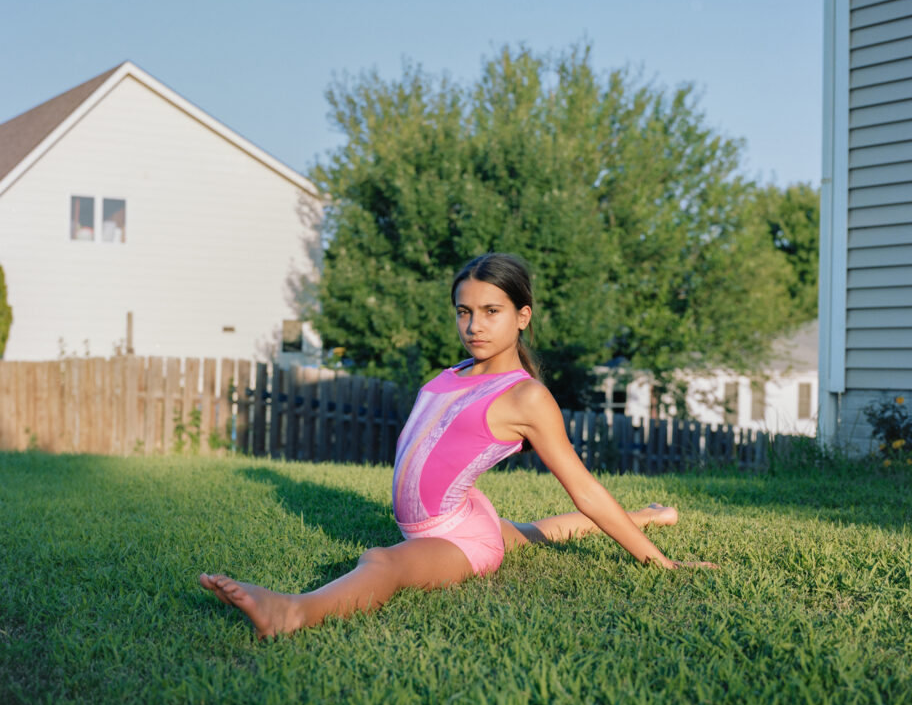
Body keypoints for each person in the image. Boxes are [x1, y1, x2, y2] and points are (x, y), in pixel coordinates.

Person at [200, 252, 715, 637]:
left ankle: (292, 611)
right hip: (466, 510)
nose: (474, 325)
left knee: (384, 562)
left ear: (523, 315)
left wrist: (663, 565)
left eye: (492, 311)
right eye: (464, 311)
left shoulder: (526, 397)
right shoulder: (454, 372)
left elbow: (583, 489)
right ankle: (648, 513)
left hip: (458, 537)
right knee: (533, 532)